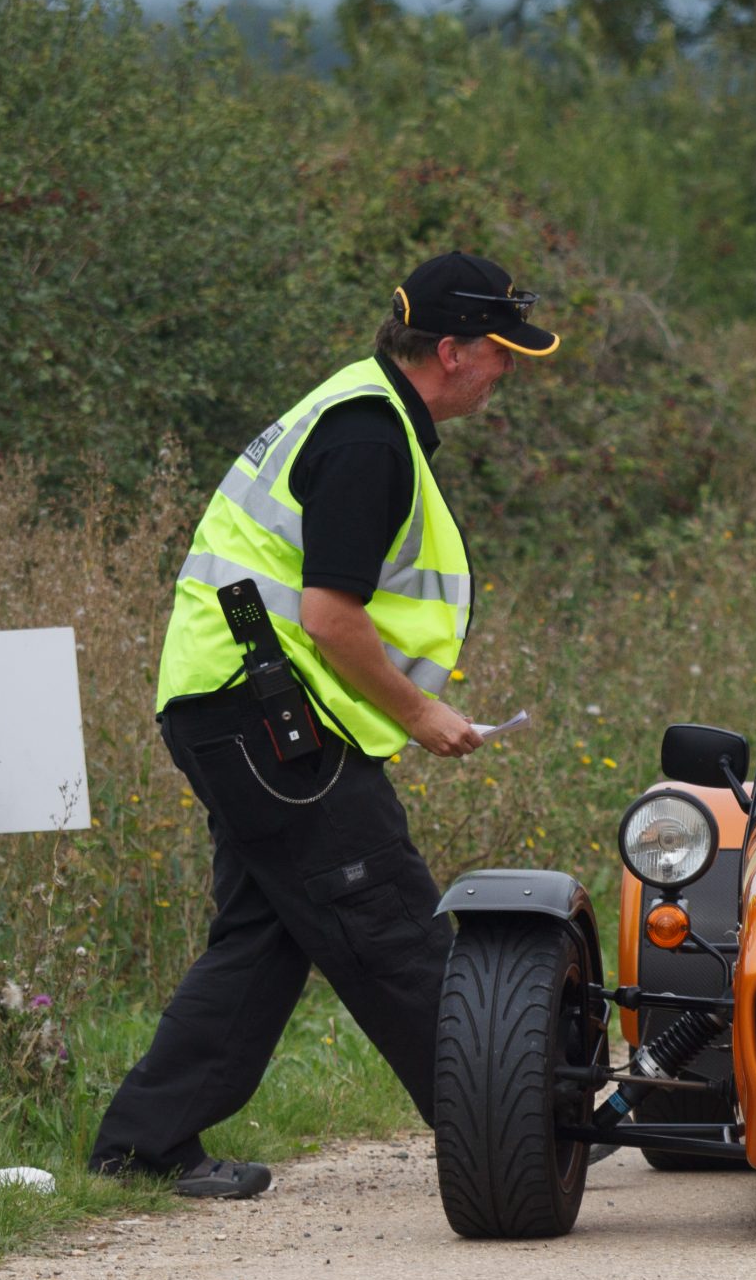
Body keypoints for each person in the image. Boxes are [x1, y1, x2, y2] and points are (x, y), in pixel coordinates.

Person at [91, 252, 559, 1199]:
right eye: (501, 350)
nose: (508, 368)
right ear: (453, 351)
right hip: (263, 710)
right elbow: (330, 616)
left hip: (238, 704)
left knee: (264, 937)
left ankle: (141, 1144)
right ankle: (518, 1123)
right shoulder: (367, 438)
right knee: (386, 918)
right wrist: (419, 713)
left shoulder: (364, 410)